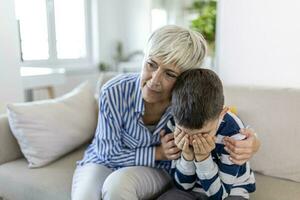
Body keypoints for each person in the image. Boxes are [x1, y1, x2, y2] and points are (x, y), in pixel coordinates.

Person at [71, 25, 260, 200]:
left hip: (156, 170)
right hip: (103, 160)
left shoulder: (187, 105)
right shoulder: (114, 91)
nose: (154, 80)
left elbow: (218, 117)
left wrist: (252, 142)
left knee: (117, 185)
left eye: (170, 74)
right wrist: (158, 153)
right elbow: (107, 153)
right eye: (151, 64)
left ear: (185, 79)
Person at [157, 69, 256, 200]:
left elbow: (219, 195)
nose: (193, 141)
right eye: (184, 132)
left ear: (221, 113)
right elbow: (183, 186)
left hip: (230, 192)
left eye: (203, 133)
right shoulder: (174, 125)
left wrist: (203, 158)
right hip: (191, 190)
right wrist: (187, 156)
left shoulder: (234, 134)